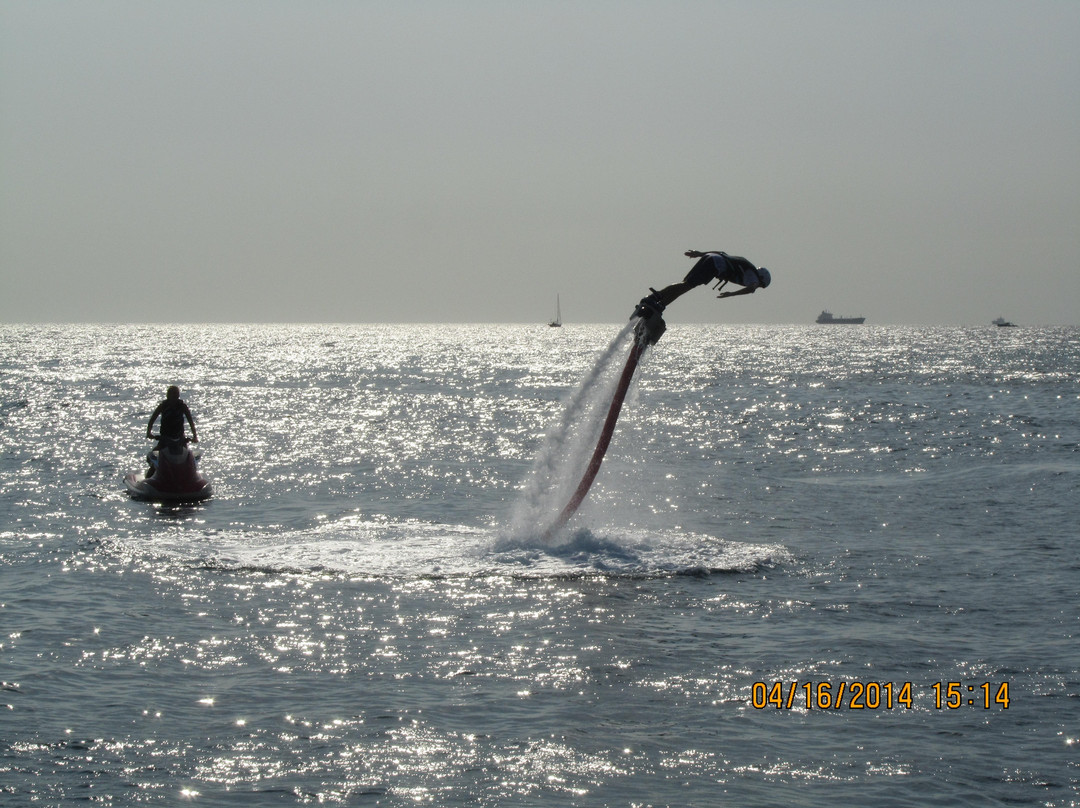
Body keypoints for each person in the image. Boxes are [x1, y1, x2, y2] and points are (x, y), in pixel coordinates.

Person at [633, 249, 771, 319]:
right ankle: (657, 301)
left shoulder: (746, 267)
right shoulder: (753, 277)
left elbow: (722, 252)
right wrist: (730, 294)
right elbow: (750, 289)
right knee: (687, 286)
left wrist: (700, 254)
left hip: (710, 258)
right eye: (761, 285)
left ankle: (658, 302)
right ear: (761, 279)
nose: (758, 287)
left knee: (685, 285)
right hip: (714, 265)